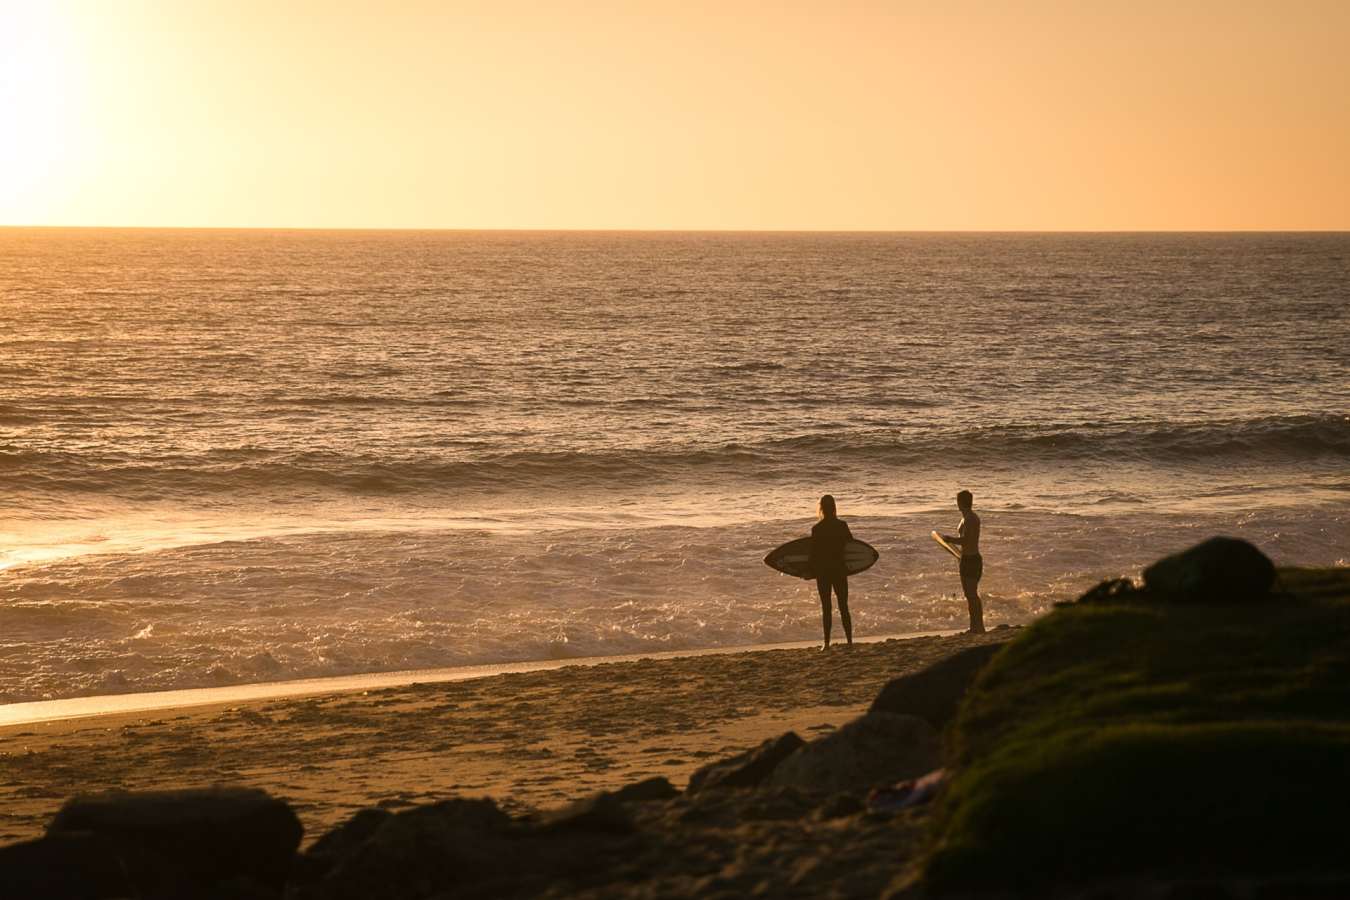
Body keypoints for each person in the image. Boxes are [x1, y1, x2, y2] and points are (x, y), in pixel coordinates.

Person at [809, 494, 853, 648]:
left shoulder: (817, 529)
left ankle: (826, 644)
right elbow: (852, 548)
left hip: (823, 573)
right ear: (834, 507)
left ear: (821, 508)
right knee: (843, 607)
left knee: (826, 608)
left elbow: (813, 555)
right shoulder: (842, 526)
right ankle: (849, 642)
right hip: (840, 570)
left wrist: (808, 572)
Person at [940, 490, 984, 633]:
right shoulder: (965, 518)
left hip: (972, 560)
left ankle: (978, 627)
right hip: (966, 559)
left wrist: (949, 539)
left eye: (957, 500)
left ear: (960, 502)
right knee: (969, 594)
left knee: (971, 594)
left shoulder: (971, 519)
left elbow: (967, 540)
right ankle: (975, 626)